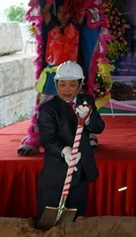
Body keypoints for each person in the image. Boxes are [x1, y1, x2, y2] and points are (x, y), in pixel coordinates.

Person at [36, 61, 105, 220]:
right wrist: (64, 151)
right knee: (49, 222)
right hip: (56, 176)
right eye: (62, 84)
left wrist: (87, 119)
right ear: (56, 84)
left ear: (80, 84)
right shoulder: (48, 109)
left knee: (76, 220)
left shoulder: (87, 102)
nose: (67, 89)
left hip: (81, 173)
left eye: (72, 85)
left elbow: (99, 127)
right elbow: (47, 139)